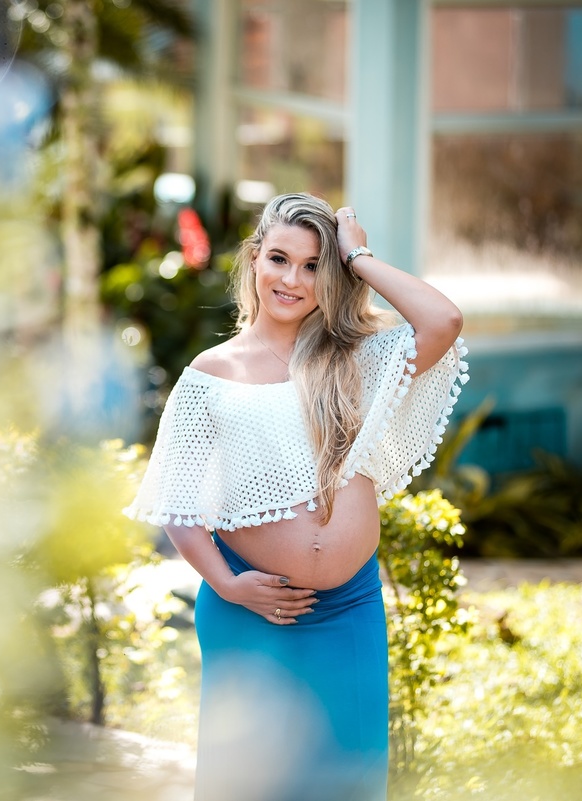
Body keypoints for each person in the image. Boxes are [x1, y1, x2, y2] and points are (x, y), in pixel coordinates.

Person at [123, 193, 467, 801]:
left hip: (349, 611)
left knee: (347, 785)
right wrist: (228, 585)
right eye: (279, 259)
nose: (292, 279)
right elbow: (177, 502)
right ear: (255, 259)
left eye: (313, 266)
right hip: (253, 608)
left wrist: (357, 254)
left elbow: (442, 322)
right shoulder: (211, 374)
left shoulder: (355, 359)